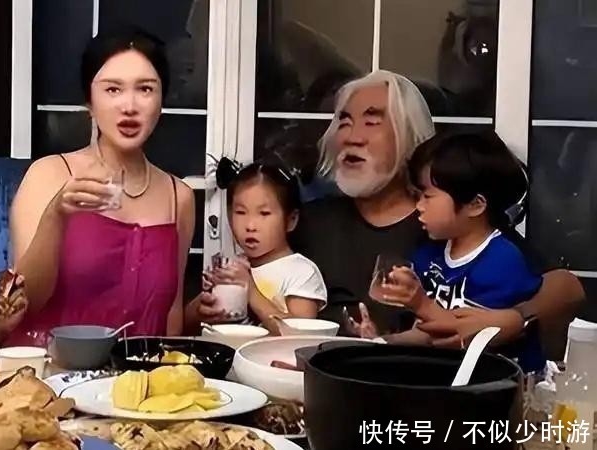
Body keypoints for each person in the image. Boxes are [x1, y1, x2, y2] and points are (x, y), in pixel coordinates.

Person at [189, 70, 583, 352]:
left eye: (372, 122)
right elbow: (238, 287)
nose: (352, 136)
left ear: (409, 136)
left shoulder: (446, 223)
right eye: (345, 122)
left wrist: (516, 318)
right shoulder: (310, 219)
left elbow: (567, 289)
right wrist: (208, 307)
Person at [0, 27, 195, 347]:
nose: (130, 105)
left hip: (135, 376)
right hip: (48, 371)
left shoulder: (179, 197)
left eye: (145, 89)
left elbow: (170, 319)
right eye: (112, 89)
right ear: (89, 102)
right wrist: (56, 214)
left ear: (161, 100)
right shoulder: (49, 174)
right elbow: (25, 303)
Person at [372, 131, 546, 372]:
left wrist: (420, 303)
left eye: (427, 196)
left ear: (475, 205)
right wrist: (377, 343)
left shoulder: (502, 261)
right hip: (448, 375)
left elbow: (461, 335)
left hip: (498, 382)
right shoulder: (428, 254)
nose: (419, 206)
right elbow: (423, 333)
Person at [201, 162, 327, 335]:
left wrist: (250, 290)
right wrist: (206, 300)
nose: (250, 226)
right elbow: (191, 324)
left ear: (291, 220)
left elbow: (300, 335)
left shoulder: (302, 272)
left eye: (264, 213)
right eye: (240, 212)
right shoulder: (236, 266)